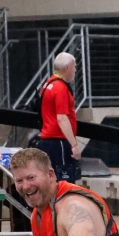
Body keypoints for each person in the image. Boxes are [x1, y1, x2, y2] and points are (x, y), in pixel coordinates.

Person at [37, 51, 81, 183]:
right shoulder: (60, 88)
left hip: (47, 141)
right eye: (74, 67)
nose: (75, 70)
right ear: (67, 68)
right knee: (64, 183)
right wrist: (74, 145)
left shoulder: (48, 84)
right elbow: (62, 118)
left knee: (50, 181)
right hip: (59, 142)